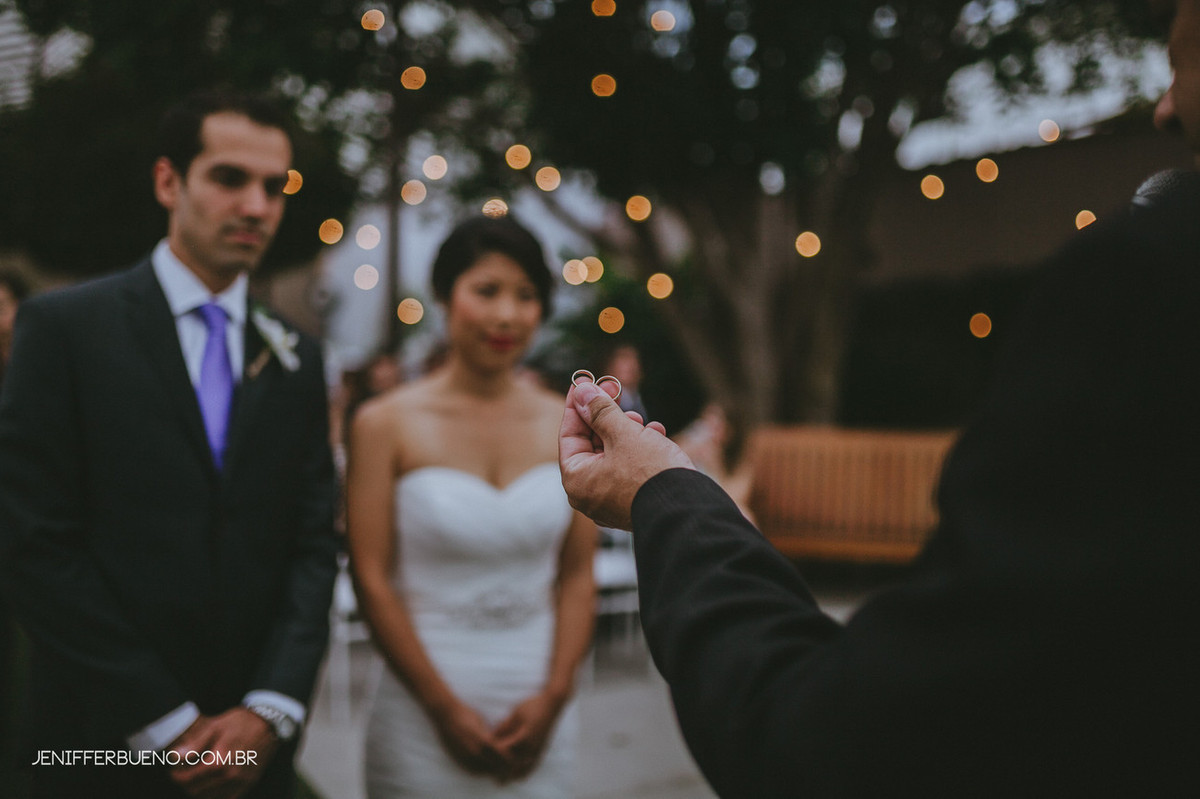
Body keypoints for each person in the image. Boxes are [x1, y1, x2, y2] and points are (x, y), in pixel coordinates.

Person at [558, 2, 1200, 795]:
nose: (1165, 107)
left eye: (1184, 64)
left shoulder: (1154, 282)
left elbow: (846, 749)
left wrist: (663, 491)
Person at [0, 89, 338, 799]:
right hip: (98, 744)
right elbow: (34, 540)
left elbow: (311, 543)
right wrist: (166, 720)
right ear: (167, 181)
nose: (256, 205)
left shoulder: (299, 357)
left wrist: (270, 707)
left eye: (274, 187)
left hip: (254, 749)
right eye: (229, 177)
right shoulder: (64, 329)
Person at [347, 215, 596, 797]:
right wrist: (443, 710)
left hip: (540, 706)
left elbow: (577, 574)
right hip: (421, 712)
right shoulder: (384, 423)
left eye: (526, 296)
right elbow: (371, 576)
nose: (507, 315)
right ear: (444, 295)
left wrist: (555, 696)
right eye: (487, 291)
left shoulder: (568, 421)